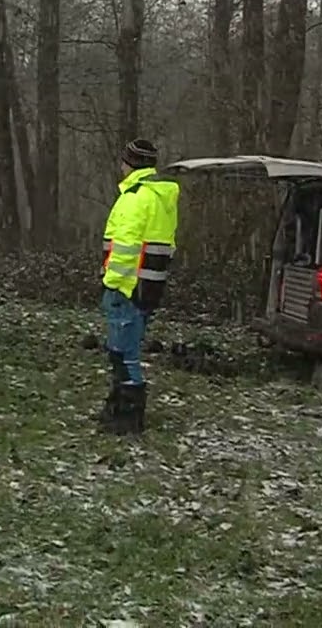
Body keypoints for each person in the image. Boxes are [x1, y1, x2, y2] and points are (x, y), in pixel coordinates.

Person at [98, 138, 180, 435]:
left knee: (122, 352)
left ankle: (127, 415)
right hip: (149, 286)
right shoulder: (160, 198)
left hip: (128, 286)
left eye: (124, 160)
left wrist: (112, 283)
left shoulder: (135, 197)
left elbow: (126, 245)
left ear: (130, 163)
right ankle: (121, 407)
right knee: (127, 350)